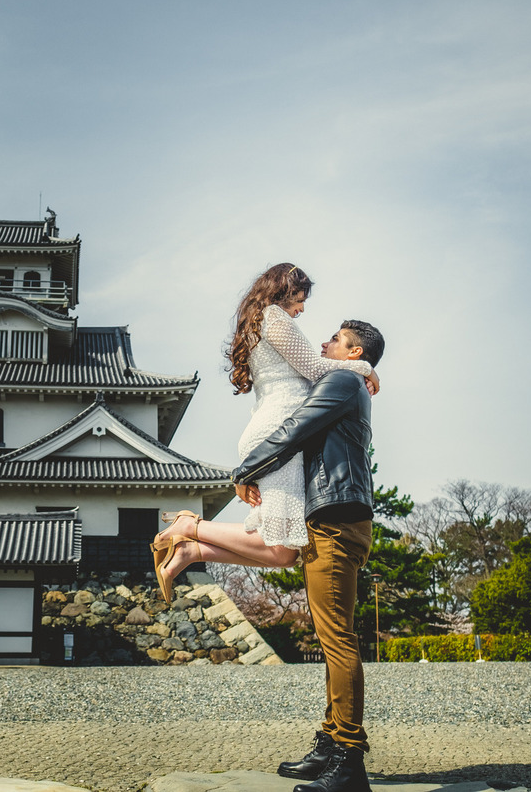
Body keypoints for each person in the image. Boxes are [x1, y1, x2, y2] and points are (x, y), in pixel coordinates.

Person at [149, 264, 378, 601]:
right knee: (281, 543)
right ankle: (189, 527)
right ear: (286, 290)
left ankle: (192, 551)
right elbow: (315, 369)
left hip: (276, 431)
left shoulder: (263, 320)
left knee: (284, 553)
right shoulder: (274, 317)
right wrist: (364, 367)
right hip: (279, 434)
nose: (302, 308)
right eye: (301, 299)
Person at [234, 318, 385, 792]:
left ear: (354, 352)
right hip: (337, 516)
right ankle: (330, 744)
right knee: (330, 636)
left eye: (335, 341)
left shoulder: (341, 379)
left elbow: (296, 428)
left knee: (337, 638)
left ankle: (348, 759)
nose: (323, 344)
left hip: (337, 519)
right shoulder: (346, 379)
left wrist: (246, 468)